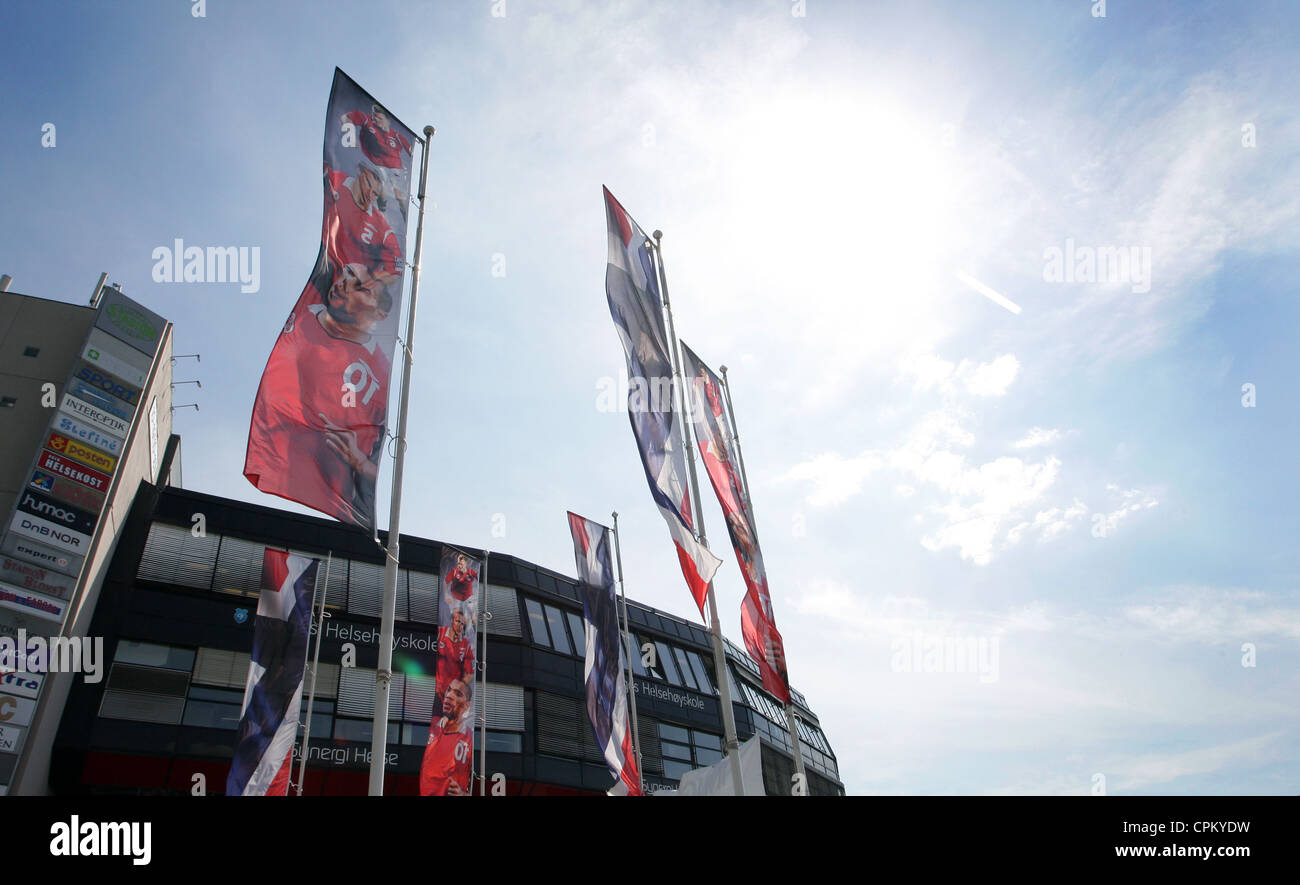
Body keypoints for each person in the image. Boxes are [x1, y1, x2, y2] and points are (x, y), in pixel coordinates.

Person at [244, 261, 392, 530]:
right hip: (280, 467)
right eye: (348, 274)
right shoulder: (302, 322)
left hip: (337, 507)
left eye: (361, 288)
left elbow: (376, 469)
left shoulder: (379, 372)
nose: (344, 284)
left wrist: (358, 460)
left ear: (379, 314)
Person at [322, 159, 403, 292]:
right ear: (358, 171)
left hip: (347, 295)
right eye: (368, 183)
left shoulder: (382, 229)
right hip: (325, 270)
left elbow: (396, 271)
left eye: (375, 193)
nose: (369, 194)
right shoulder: (335, 179)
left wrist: (366, 283)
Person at [341, 104, 412, 211]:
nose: (375, 120)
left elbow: (411, 151)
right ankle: (382, 208)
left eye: (379, 118)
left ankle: (403, 212)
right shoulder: (368, 121)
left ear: (387, 120)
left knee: (399, 195)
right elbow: (346, 117)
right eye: (374, 117)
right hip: (377, 165)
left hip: (396, 168)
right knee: (379, 183)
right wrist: (351, 136)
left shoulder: (396, 135)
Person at [419, 678, 473, 796]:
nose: (449, 696)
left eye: (458, 694)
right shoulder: (434, 725)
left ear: (466, 705)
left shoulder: (468, 739)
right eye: (449, 690)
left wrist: (463, 794)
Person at [435, 604, 475, 708]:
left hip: (452, 699)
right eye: (458, 621)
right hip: (438, 692)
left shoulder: (465, 644)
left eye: (462, 624)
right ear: (451, 621)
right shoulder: (441, 633)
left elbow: (470, 674)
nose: (460, 626)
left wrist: (457, 688)